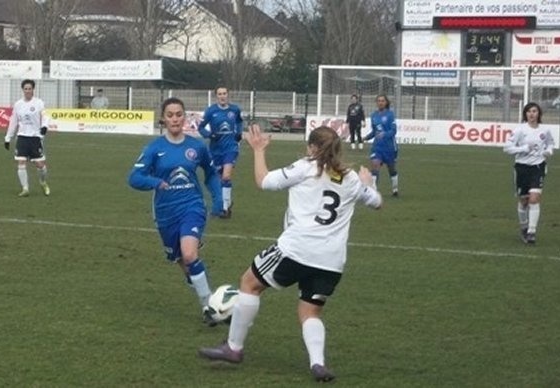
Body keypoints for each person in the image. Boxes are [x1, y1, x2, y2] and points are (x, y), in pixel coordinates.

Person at [199, 124, 382, 382]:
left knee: (249, 283)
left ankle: (233, 348)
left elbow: (263, 181)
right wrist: (369, 183)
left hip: (297, 249)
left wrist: (259, 150)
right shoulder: (351, 178)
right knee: (310, 311)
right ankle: (318, 364)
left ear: (312, 148)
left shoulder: (304, 167)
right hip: (331, 261)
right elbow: (377, 202)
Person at [128, 97, 224, 325]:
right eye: (170, 115)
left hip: (192, 206)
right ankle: (204, 292)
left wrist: (219, 199)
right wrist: (154, 182)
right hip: (164, 212)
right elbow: (134, 177)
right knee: (183, 261)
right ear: (163, 118)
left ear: (185, 117)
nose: (175, 119)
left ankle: (208, 306)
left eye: (179, 114)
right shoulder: (154, 149)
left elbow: (211, 175)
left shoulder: (197, 146)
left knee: (190, 254)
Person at [503, 102, 554, 244]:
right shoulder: (520, 130)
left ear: (539, 114)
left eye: (534, 111)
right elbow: (507, 148)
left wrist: (548, 151)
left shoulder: (545, 130)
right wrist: (523, 148)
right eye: (529, 112)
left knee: (534, 199)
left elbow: (550, 143)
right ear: (525, 114)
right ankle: (524, 227)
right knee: (524, 201)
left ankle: (531, 232)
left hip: (538, 167)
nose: (532, 114)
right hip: (522, 168)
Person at [198, 86, 243, 218]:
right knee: (217, 180)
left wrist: (239, 133)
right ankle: (224, 204)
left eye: (224, 93)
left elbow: (240, 121)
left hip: (231, 148)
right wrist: (210, 135)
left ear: (228, 95)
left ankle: (225, 208)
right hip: (215, 149)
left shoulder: (234, 109)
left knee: (226, 176)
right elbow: (200, 127)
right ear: (216, 96)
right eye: (219, 94)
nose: (222, 96)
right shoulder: (211, 111)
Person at [4, 79, 50, 197]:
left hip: (35, 137)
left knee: (40, 165)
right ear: (23, 90)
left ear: (33, 89)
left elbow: (45, 116)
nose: (28, 91)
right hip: (22, 137)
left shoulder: (39, 103)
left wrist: (44, 126)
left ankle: (43, 181)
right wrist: (8, 137)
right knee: (21, 162)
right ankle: (25, 189)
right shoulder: (18, 104)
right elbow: (13, 121)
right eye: (26, 89)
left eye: (30, 88)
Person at [364, 94, 399, 197]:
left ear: (386, 102)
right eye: (378, 101)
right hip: (377, 146)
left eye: (382, 101)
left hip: (389, 147)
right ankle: (374, 190)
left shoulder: (390, 115)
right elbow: (375, 131)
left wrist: (385, 134)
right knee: (375, 165)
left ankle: (395, 189)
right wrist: (366, 137)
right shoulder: (374, 115)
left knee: (391, 169)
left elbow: (394, 130)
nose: (380, 102)